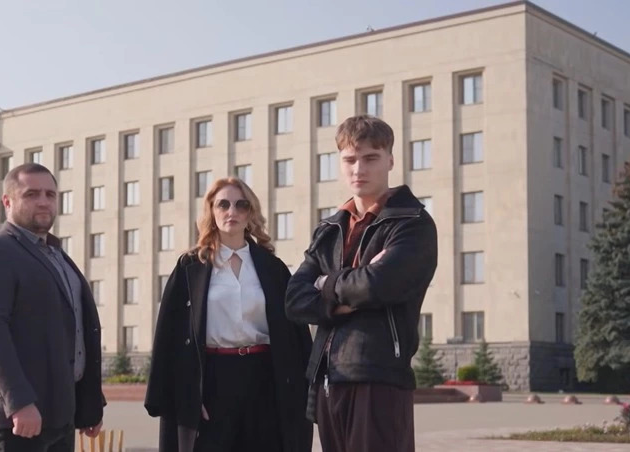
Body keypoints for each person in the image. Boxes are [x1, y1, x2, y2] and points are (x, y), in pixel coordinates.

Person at [285, 115, 438, 452]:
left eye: (370, 158)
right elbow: (294, 300)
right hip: (327, 375)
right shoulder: (329, 229)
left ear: (390, 160)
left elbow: (376, 285)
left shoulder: (412, 223)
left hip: (379, 374)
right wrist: (346, 292)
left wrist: (323, 284)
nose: (359, 169)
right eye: (350, 160)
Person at [145, 177, 313, 452]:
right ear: (211, 211)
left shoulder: (273, 268)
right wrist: (187, 395)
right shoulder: (190, 268)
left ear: (250, 213)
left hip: (264, 378)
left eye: (241, 205)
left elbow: (296, 335)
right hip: (212, 379)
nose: (231, 211)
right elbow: (168, 336)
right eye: (223, 204)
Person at [0, 163, 106, 452]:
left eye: (50, 194)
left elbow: (76, 331)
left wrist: (90, 403)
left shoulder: (57, 256)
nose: (43, 201)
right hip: (19, 421)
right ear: (7, 202)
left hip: (61, 417)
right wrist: (19, 402)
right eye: (31, 194)